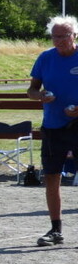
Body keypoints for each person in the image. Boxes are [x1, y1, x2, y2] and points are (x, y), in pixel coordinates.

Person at [27, 15, 78, 246]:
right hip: (53, 126)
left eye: (63, 36)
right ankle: (55, 229)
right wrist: (40, 96)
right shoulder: (45, 58)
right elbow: (31, 90)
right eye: (54, 36)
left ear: (74, 35)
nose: (58, 41)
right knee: (51, 176)